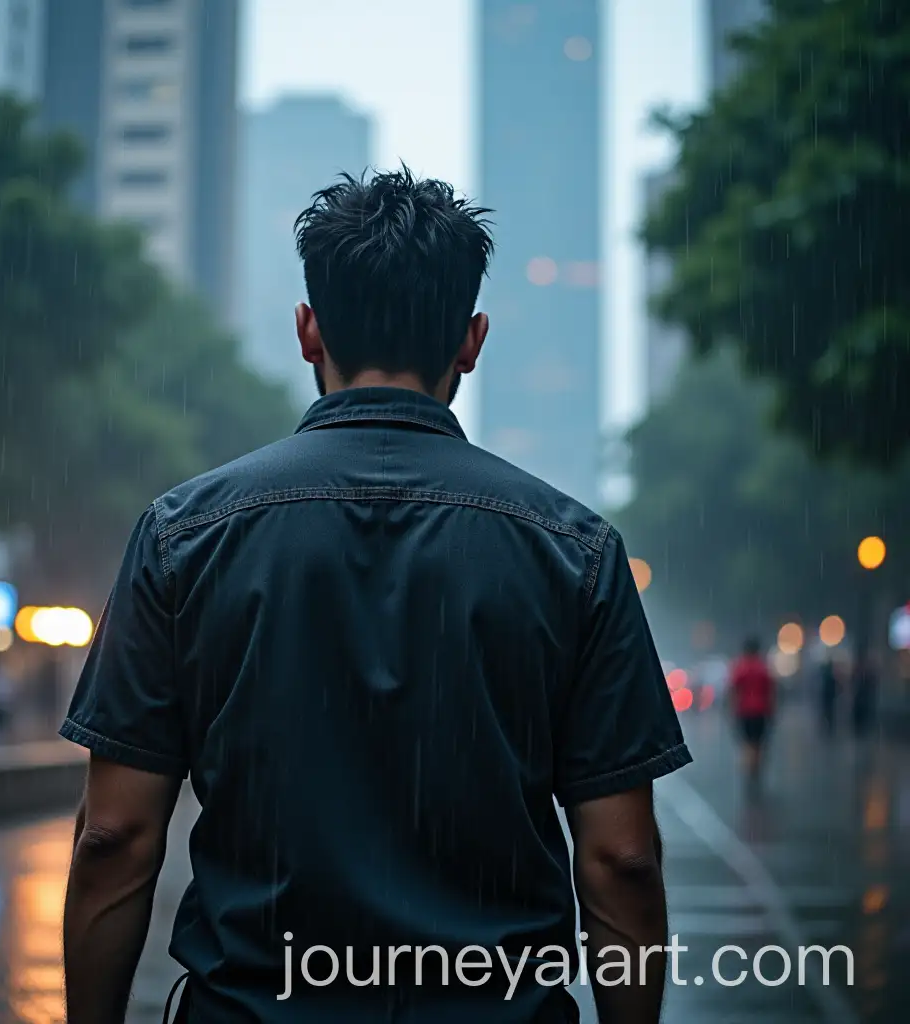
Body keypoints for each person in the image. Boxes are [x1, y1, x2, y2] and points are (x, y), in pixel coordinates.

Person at [59, 167, 692, 1024]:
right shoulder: (574, 551)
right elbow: (622, 859)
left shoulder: (183, 535)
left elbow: (114, 836)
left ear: (308, 330)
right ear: (471, 340)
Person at [728, 637, 775, 792]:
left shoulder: (740, 667)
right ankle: (755, 769)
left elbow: (733, 690)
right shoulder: (763, 668)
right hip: (761, 711)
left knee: (747, 743)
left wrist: (731, 709)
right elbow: (771, 692)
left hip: (744, 711)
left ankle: (749, 769)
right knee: (758, 743)